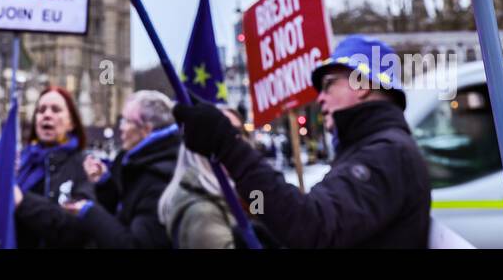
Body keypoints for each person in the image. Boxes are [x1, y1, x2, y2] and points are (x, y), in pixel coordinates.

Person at [174, 35, 431, 248]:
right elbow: (306, 224)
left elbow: (311, 227)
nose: (319, 98)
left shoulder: (387, 154)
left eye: (329, 85)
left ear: (362, 84)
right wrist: (269, 221)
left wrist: (229, 147)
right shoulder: (369, 149)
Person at [61, 90, 180, 248]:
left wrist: (89, 212)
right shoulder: (139, 159)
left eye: (126, 121)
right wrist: (105, 183)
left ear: (146, 130)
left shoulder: (160, 177)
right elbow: (126, 210)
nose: (121, 128)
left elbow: (134, 244)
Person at [11, 86, 96, 248]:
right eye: (41, 110)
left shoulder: (83, 165)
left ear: (71, 123)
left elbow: (78, 228)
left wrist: (23, 201)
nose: (47, 115)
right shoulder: (22, 161)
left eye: (56, 110)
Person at [157, 107, 243, 249]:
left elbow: (258, 213)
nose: (239, 142)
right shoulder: (203, 214)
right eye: (227, 133)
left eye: (241, 133)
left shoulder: (240, 193)